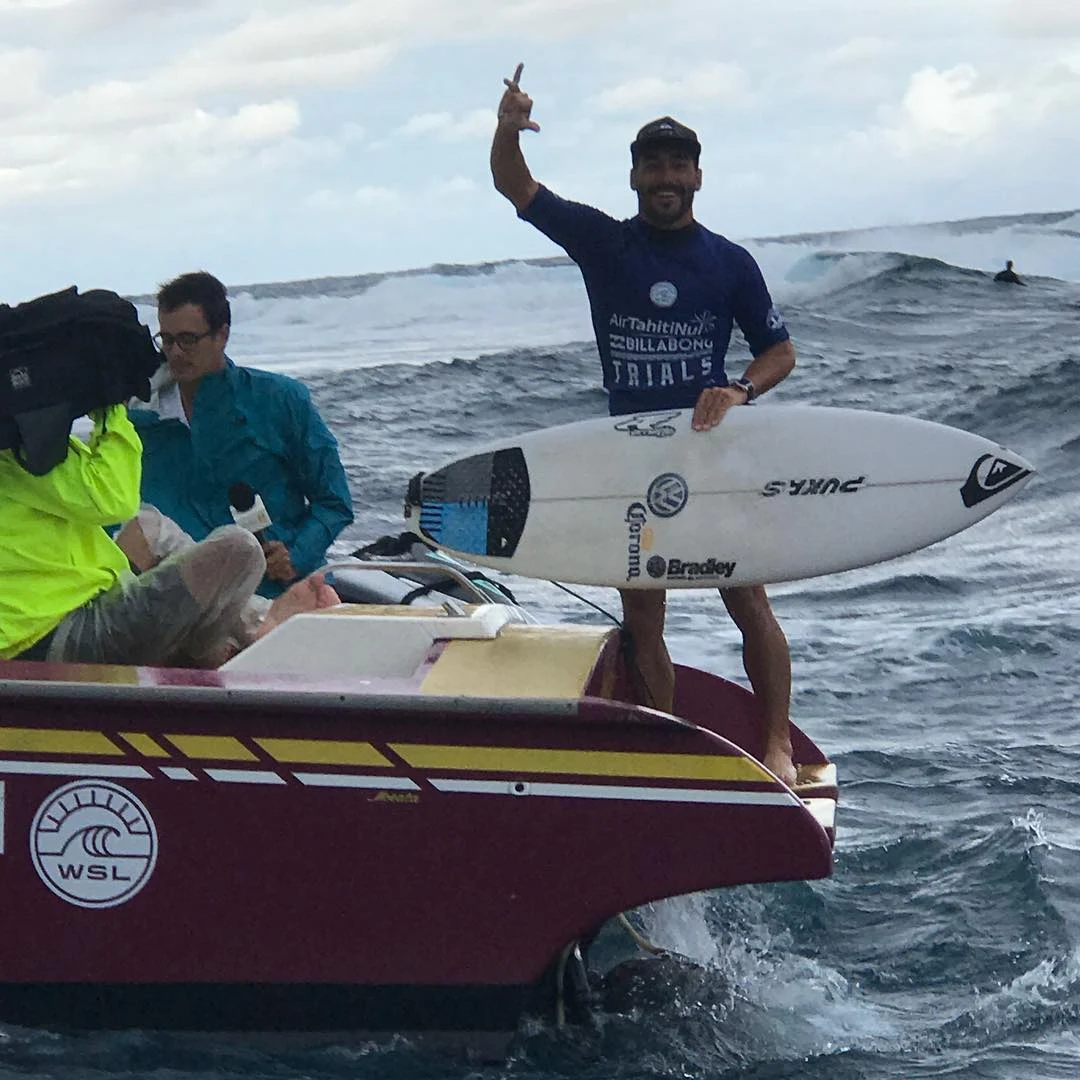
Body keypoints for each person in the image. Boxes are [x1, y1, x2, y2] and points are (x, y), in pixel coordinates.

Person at [491, 63, 799, 785]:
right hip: (630, 459)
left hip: (710, 456)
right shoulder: (605, 243)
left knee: (747, 599)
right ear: (634, 177)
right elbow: (516, 186)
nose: (667, 176)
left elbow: (779, 351)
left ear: (698, 177)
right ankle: (666, 747)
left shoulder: (729, 262)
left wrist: (739, 391)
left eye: (678, 165)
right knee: (643, 618)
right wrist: (507, 130)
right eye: (653, 165)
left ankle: (777, 744)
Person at [0, 404, 339, 666]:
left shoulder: (20, 451)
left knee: (149, 526)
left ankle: (249, 619)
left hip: (70, 603)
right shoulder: (19, 457)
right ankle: (245, 634)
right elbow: (114, 498)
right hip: (56, 634)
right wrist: (109, 409)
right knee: (240, 550)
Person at [129, 271, 354, 598]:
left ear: (222, 334)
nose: (175, 352)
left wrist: (296, 555)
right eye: (166, 339)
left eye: (188, 340)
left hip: (273, 589)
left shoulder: (280, 399)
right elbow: (118, 511)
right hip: (181, 596)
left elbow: (334, 501)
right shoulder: (138, 415)